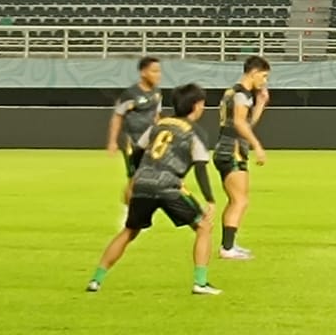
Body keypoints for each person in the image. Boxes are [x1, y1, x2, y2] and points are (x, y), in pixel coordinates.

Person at [87, 83, 220, 296]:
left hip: (143, 184)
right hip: (168, 186)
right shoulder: (196, 132)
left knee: (129, 231)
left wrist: (134, 178)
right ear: (197, 105)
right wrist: (210, 199)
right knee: (204, 226)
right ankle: (200, 283)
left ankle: (96, 280)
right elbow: (201, 166)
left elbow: (137, 152)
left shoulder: (158, 125)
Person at [212, 55, 270, 261]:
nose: (264, 81)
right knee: (240, 200)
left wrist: (261, 104)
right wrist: (257, 146)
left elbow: (245, 123)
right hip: (232, 150)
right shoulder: (241, 94)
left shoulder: (232, 92)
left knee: (236, 200)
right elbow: (239, 123)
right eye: (263, 76)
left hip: (226, 148)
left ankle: (229, 245)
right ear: (253, 73)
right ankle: (227, 248)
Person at [106, 56, 164, 207]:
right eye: (154, 71)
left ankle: (138, 209)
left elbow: (157, 116)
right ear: (143, 72)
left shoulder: (157, 93)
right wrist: (112, 141)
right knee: (134, 179)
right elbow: (118, 117)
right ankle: (128, 212)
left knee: (148, 178)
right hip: (134, 142)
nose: (158, 75)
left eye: (159, 71)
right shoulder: (130, 94)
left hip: (150, 143)